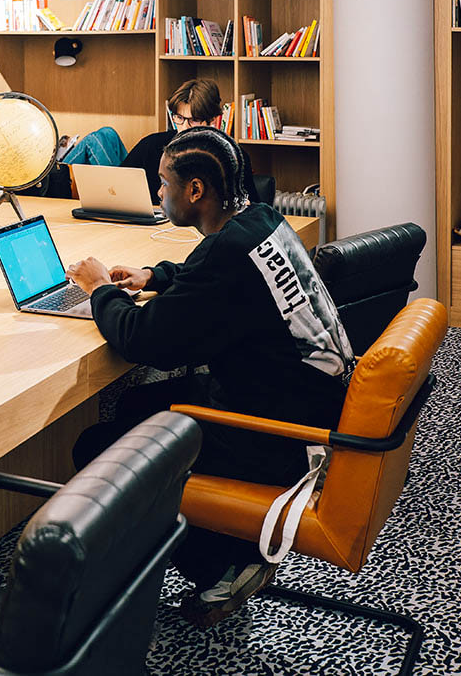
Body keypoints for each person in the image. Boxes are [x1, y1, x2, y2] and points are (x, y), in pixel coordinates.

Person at [65, 126, 353, 627]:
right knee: (135, 409)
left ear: (194, 190)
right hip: (310, 400)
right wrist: (156, 276)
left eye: (163, 183)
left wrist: (97, 290)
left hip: (278, 432)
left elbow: (140, 339)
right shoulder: (258, 221)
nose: (159, 193)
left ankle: (222, 566)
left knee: (97, 448)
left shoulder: (226, 253)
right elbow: (218, 279)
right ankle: (216, 538)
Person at [122, 78, 258, 204]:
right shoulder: (151, 145)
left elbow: (253, 210)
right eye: (179, 117)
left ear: (213, 120)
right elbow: (117, 186)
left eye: (194, 120)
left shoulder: (233, 155)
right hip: (152, 226)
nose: (185, 127)